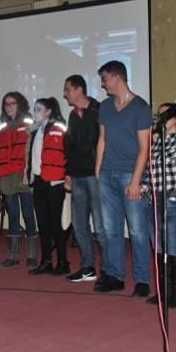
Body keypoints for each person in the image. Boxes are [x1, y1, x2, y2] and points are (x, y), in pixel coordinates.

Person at [94, 61, 153, 296]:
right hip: (107, 173)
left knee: (137, 230)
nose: (103, 84)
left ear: (117, 77)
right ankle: (115, 275)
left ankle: (142, 279)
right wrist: (98, 171)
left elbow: (144, 148)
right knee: (111, 229)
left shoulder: (140, 107)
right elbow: (102, 139)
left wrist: (136, 181)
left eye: (105, 79)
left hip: (130, 173)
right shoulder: (105, 107)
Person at [147, 102, 176, 306]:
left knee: (174, 246)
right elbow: (150, 172)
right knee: (159, 247)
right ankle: (163, 292)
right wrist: (145, 188)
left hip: (175, 199)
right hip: (156, 199)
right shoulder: (156, 143)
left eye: (165, 115)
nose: (161, 119)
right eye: (159, 115)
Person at [62, 75, 106, 283]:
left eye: (67, 90)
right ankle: (87, 266)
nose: (65, 94)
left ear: (79, 90)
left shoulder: (98, 110)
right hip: (78, 176)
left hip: (95, 175)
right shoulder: (73, 116)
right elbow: (69, 145)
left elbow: (95, 142)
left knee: (101, 226)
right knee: (79, 224)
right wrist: (68, 172)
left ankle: (108, 268)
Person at [0, 91, 37, 270]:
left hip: (23, 177)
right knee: (13, 215)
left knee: (28, 214)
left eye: (13, 103)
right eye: (6, 104)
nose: (9, 107)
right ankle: (12, 256)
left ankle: (31, 255)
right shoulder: (2, 128)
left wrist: (32, 175)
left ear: (20, 104)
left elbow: (34, 151)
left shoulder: (30, 124)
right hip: (7, 177)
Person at [27, 98, 69, 275]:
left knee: (55, 224)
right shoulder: (36, 131)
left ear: (49, 111)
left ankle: (63, 262)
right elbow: (33, 158)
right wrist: (31, 180)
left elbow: (68, 155)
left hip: (54, 182)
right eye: (34, 109)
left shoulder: (60, 129)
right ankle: (46, 261)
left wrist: (67, 177)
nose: (35, 112)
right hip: (39, 181)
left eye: (39, 109)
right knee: (43, 224)